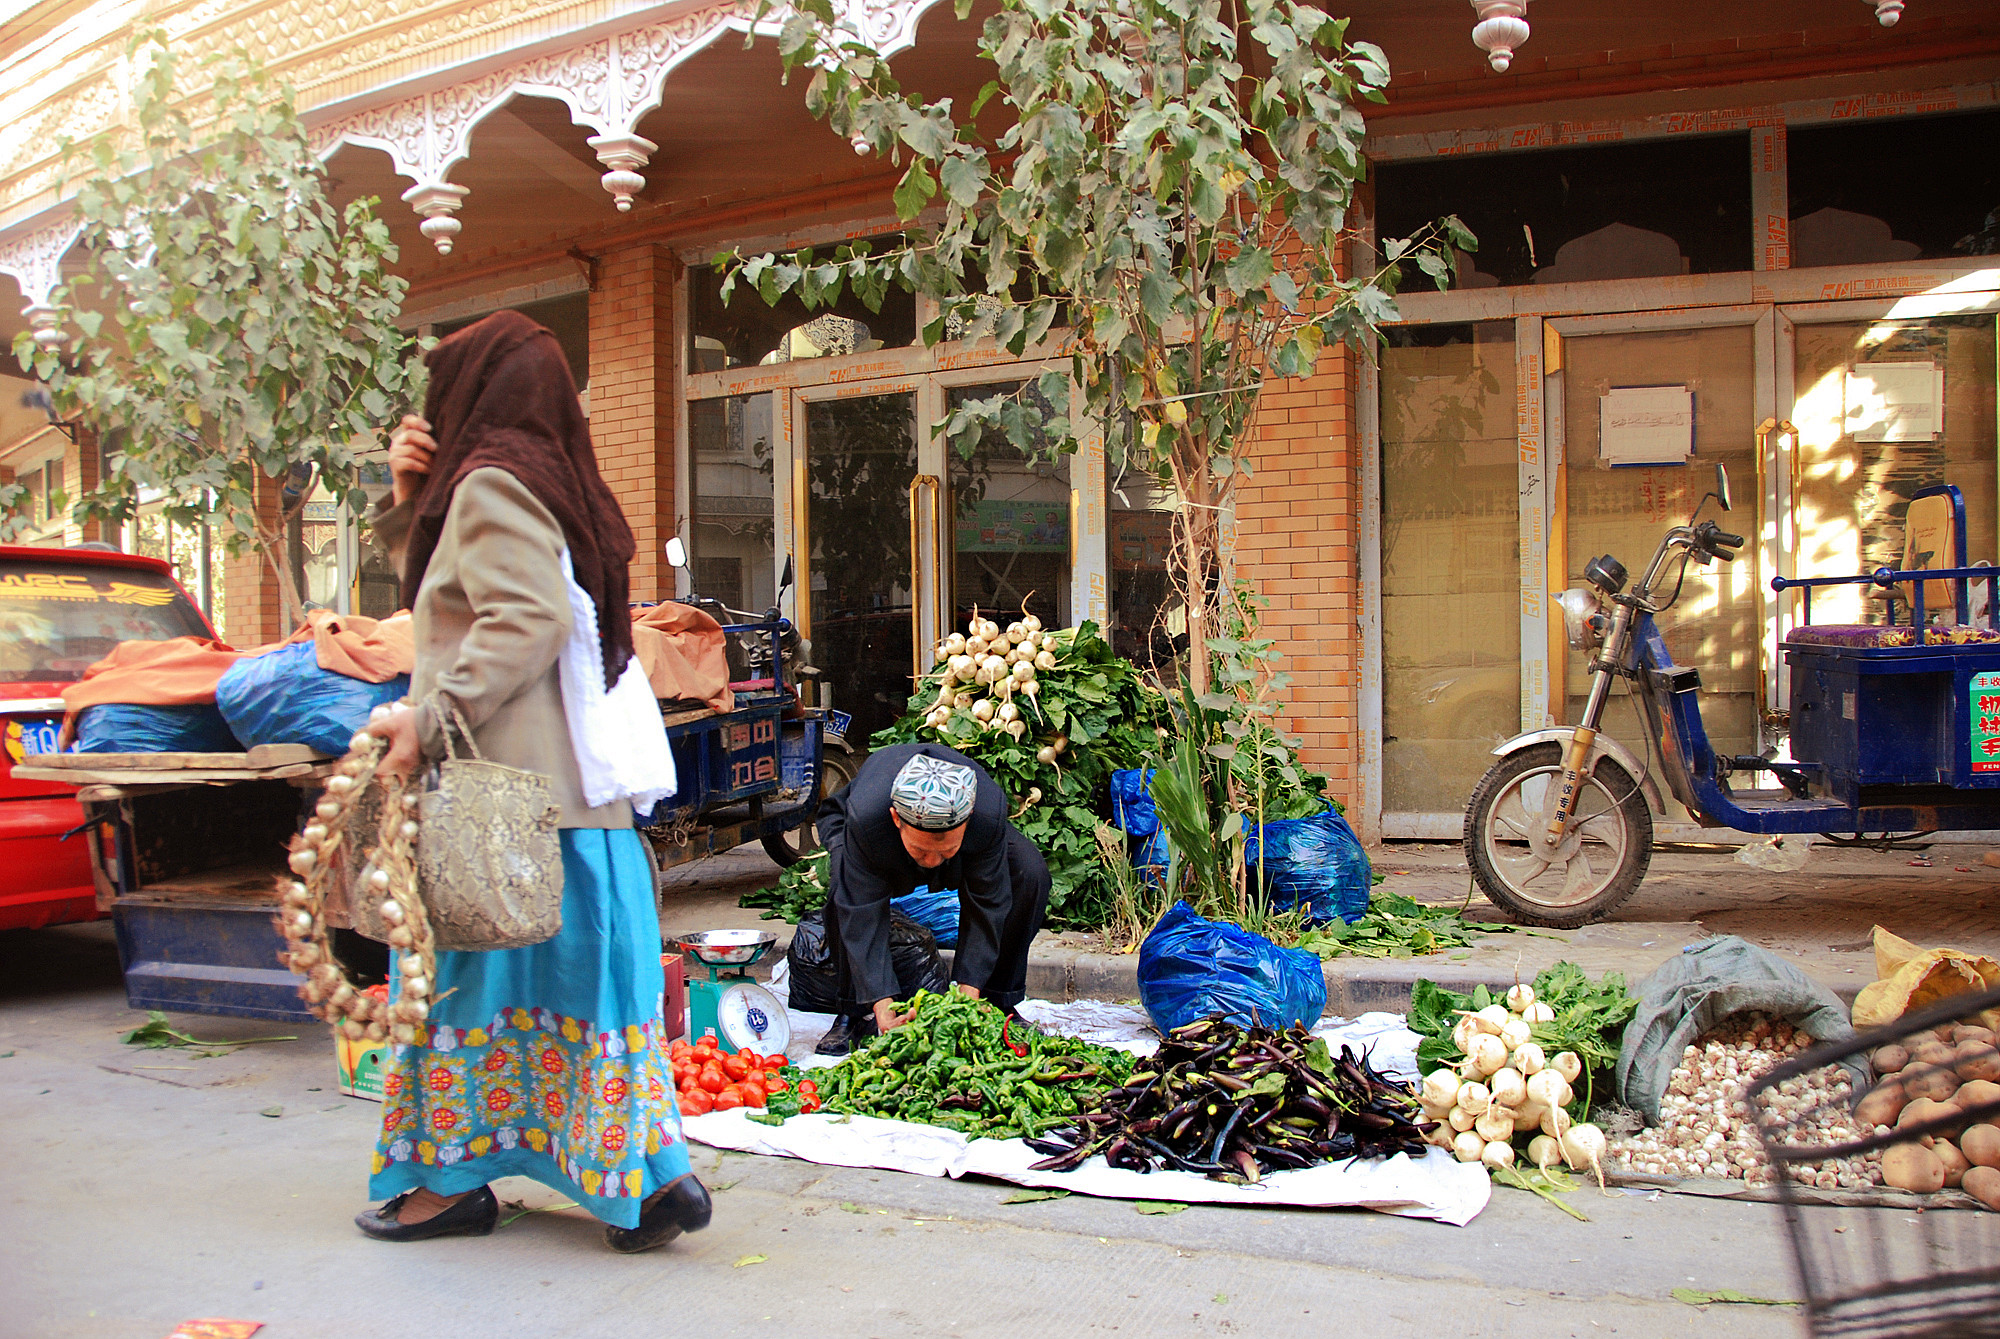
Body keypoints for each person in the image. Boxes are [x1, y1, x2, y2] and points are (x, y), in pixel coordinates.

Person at [355, 310, 708, 1253]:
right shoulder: (555, 487)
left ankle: (441, 1187)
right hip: (574, 813)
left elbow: (525, 617)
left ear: (472, 396)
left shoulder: (489, 486)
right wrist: (409, 493)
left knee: (458, 996)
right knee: (590, 1003)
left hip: (501, 813)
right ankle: (648, 1176)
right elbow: (454, 595)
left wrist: (428, 719)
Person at [814, 742, 1050, 1052]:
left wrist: (968, 995)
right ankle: (852, 1010)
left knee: (1029, 873)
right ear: (896, 818)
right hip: (878, 837)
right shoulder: (868, 817)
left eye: (945, 851)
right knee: (843, 890)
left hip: (966, 837)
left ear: (966, 823)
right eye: (922, 851)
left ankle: (997, 999)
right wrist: (882, 1002)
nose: (932, 862)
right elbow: (862, 911)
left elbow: (987, 904)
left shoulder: (986, 814)